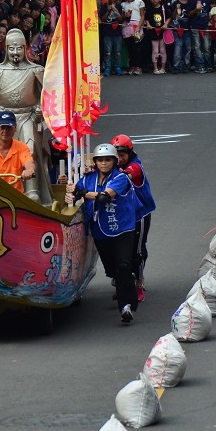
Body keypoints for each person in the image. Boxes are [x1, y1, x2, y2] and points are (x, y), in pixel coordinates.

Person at [66, 143, 139, 324]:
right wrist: (69, 193)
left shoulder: (121, 178)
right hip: (100, 231)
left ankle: (126, 306)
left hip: (122, 229)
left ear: (114, 161)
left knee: (123, 265)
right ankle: (124, 283)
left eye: (108, 160)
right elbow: (74, 195)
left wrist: (81, 192)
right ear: (95, 162)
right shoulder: (88, 179)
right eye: (100, 160)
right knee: (112, 270)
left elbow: (104, 197)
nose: (104, 163)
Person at [0, 29, 50, 201]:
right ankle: (3, 187)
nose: (15, 52)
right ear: (6, 49)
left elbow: (47, 95)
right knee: (2, 153)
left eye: (19, 48)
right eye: (11, 48)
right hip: (5, 119)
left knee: (29, 151)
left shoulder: (35, 70)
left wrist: (39, 108)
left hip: (28, 117)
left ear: (25, 48)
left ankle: (32, 191)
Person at [111, 135, 155, 303]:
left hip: (139, 214)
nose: (120, 158)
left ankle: (138, 283)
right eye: (116, 154)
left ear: (130, 153)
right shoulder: (112, 166)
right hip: (122, 216)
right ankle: (124, 285)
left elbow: (127, 175)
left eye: (123, 154)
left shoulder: (134, 166)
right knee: (119, 252)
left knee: (137, 250)